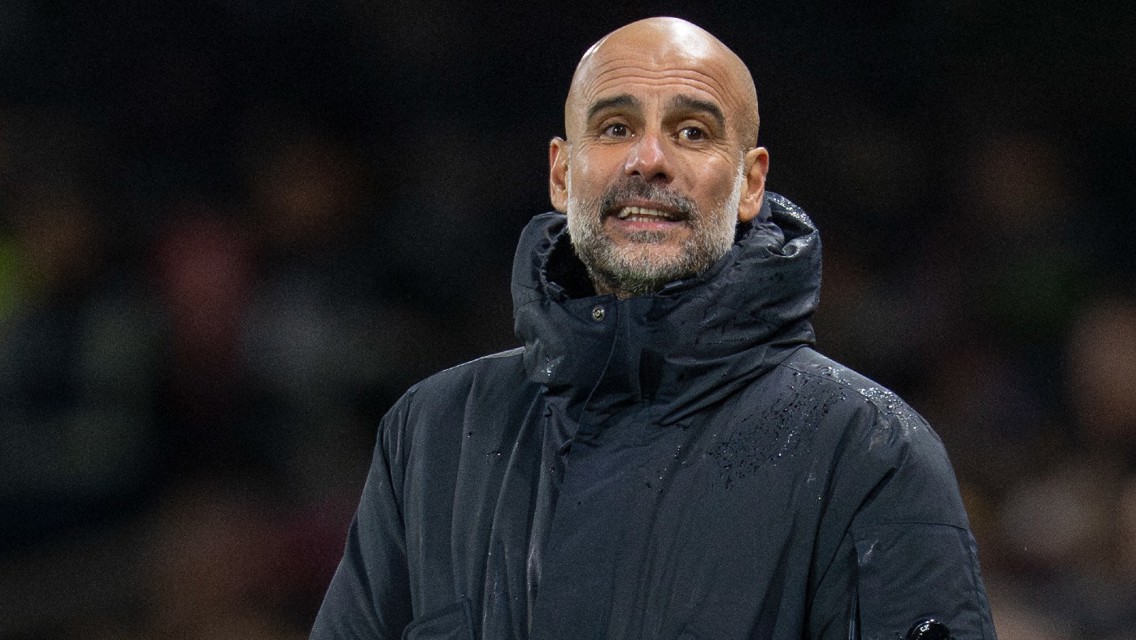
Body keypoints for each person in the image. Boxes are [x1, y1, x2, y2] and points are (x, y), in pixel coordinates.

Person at [311, 17, 997, 640]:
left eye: (692, 132)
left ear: (751, 184)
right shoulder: (432, 431)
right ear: (561, 172)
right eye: (614, 128)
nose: (649, 160)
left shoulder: (868, 449)